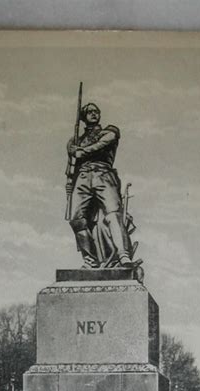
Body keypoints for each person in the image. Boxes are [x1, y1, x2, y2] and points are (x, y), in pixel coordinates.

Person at [66, 103, 133, 268]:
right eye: (89, 112)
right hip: (81, 178)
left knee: (113, 214)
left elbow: (101, 145)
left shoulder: (109, 131)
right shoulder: (75, 140)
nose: (94, 114)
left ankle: (123, 255)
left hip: (103, 175)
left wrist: (81, 151)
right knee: (76, 219)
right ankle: (90, 260)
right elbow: (70, 166)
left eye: (96, 111)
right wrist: (69, 182)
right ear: (83, 117)